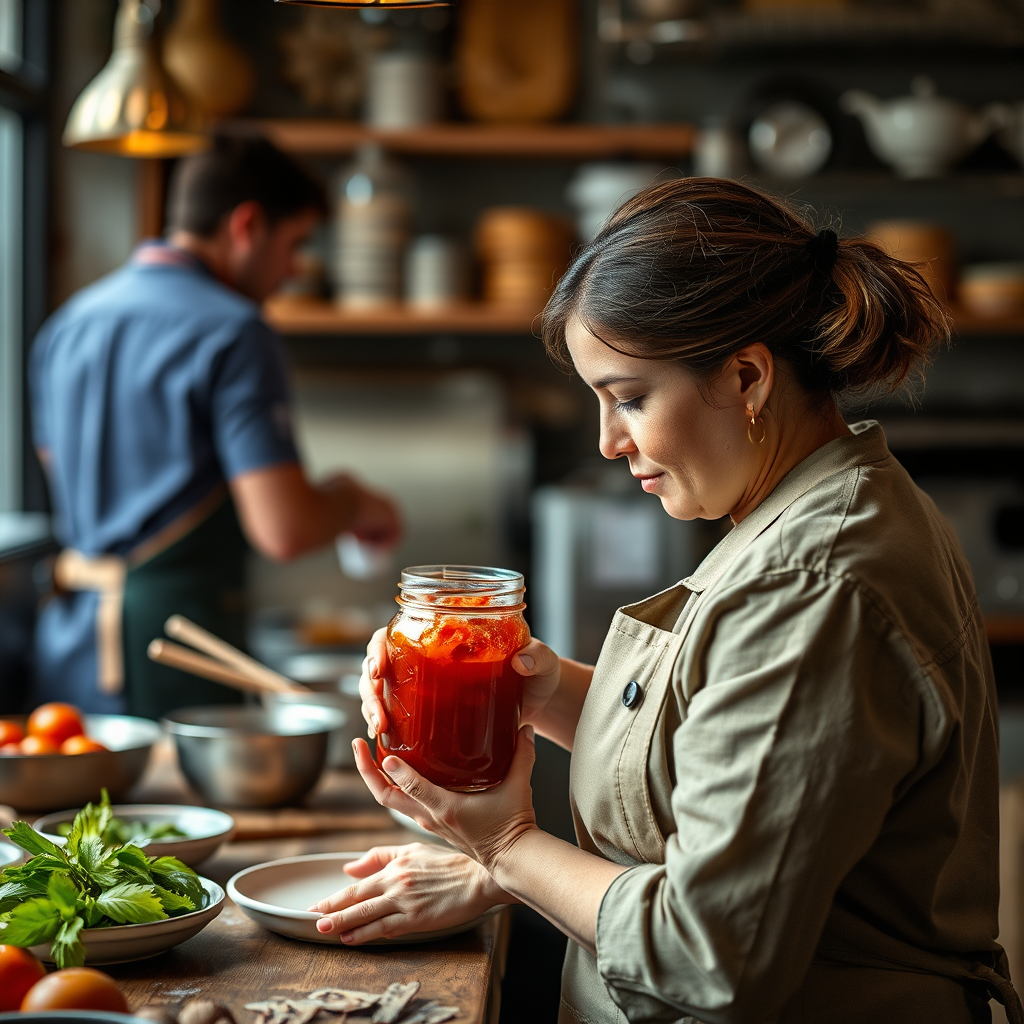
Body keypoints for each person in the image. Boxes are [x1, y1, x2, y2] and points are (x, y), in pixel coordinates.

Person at [311, 179, 1022, 1024]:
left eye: (631, 398)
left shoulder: (813, 582)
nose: (611, 441)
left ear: (748, 377)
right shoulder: (807, 503)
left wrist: (504, 850)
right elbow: (714, 749)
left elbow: (709, 954)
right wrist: (544, 693)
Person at [30, 134, 400, 720]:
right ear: (246, 225)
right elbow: (284, 528)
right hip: (175, 652)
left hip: (66, 645)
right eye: (293, 245)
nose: (292, 272)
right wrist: (355, 502)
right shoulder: (235, 331)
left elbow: (61, 471)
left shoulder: (66, 325)